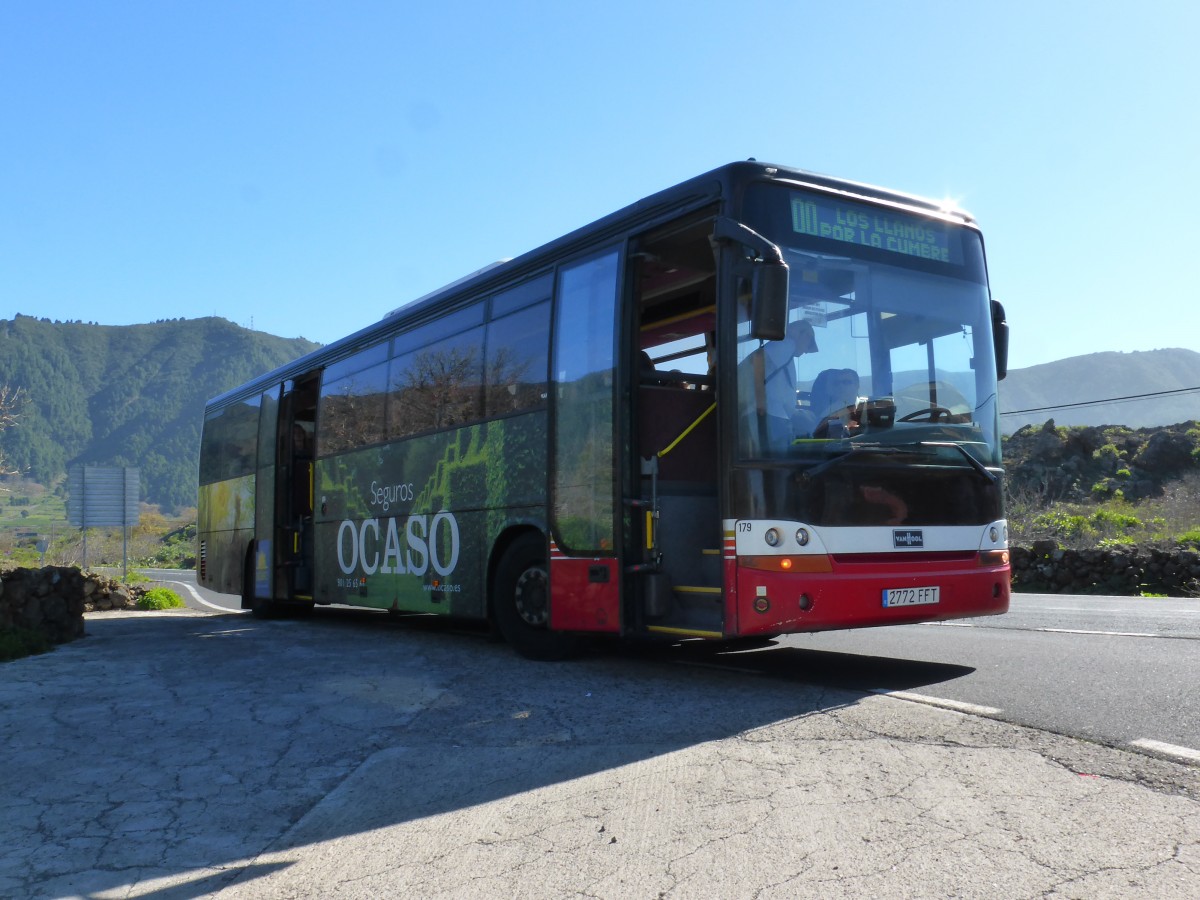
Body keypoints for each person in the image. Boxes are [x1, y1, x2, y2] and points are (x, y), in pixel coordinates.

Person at [741, 317, 819, 451]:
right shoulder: (786, 344)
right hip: (770, 416)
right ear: (803, 334)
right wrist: (761, 401)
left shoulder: (787, 351)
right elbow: (757, 360)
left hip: (774, 416)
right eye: (809, 342)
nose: (807, 350)